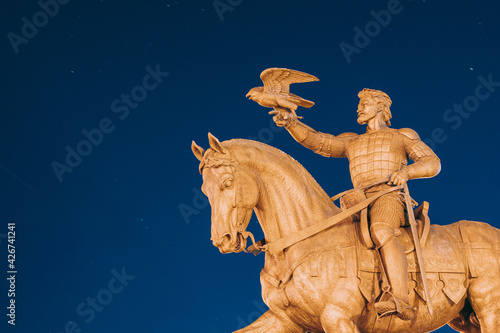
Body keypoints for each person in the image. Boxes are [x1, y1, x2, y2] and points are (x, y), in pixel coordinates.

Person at [272, 88, 441, 320]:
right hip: (356, 201)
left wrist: (408, 172)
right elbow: (318, 142)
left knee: (381, 230)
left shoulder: (402, 135)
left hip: (388, 195)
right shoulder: (351, 140)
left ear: (380, 107)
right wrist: (291, 122)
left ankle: (400, 298)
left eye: (365, 104)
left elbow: (432, 162)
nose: (358, 108)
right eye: (359, 104)